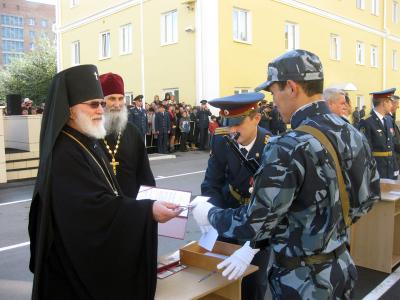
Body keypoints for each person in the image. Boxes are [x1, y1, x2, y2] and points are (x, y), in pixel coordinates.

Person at [193, 50, 380, 299]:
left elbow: (254, 223)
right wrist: (327, 230)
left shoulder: (288, 145)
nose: (274, 101)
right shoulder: (352, 132)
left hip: (302, 280)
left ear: (291, 87)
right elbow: (369, 198)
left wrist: (210, 214)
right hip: (341, 266)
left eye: (274, 92)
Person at [28, 65, 181, 300]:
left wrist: (148, 203)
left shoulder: (85, 140)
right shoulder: (64, 153)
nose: (102, 109)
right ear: (68, 110)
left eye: (102, 103)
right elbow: (93, 210)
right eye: (93, 104)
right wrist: (146, 210)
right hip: (71, 269)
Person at [197, 92, 272, 300]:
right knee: (221, 277)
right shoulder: (222, 139)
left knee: (254, 281)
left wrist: (252, 246)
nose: (231, 130)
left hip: (258, 218)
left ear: (256, 118)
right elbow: (212, 182)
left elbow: (275, 205)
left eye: (237, 123)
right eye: (227, 122)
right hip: (229, 209)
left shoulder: (271, 146)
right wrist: (211, 213)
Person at [99, 72, 155, 198]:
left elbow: (144, 173)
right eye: (112, 99)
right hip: (102, 206)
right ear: (101, 101)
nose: (117, 104)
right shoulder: (91, 132)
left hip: (131, 204)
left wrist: (149, 207)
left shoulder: (133, 132)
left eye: (120, 98)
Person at [358, 88, 398, 179]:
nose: (392, 105)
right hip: (377, 169)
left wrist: (395, 168)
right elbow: (365, 150)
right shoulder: (366, 122)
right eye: (390, 102)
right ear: (384, 103)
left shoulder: (388, 120)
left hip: (390, 168)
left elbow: (392, 146)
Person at [389, 95, 400, 167]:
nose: (398, 106)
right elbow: (392, 140)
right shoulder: (387, 119)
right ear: (392, 103)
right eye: (397, 103)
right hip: (392, 160)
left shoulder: (390, 118)